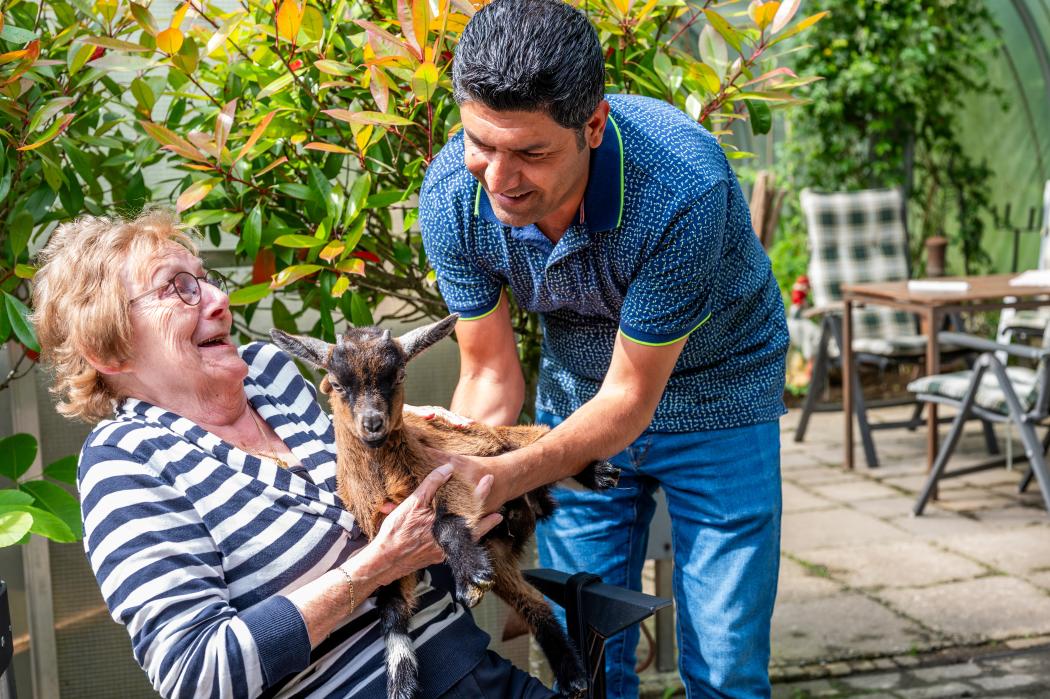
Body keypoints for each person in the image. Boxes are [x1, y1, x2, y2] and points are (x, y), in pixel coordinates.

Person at [418, 0, 789, 696]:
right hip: (581, 395)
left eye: (531, 153)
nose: (499, 179)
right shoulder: (451, 200)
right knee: (580, 653)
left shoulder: (681, 187)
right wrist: (456, 471)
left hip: (722, 394)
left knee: (725, 662)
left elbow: (630, 396)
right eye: (481, 144)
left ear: (593, 125)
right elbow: (490, 371)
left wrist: (510, 474)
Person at [30, 210, 557, 699]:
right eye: (177, 288)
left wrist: (419, 432)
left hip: (471, 667)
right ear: (109, 349)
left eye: (205, 279)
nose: (218, 299)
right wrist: (376, 568)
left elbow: (371, 479)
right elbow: (197, 673)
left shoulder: (267, 373)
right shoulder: (125, 464)